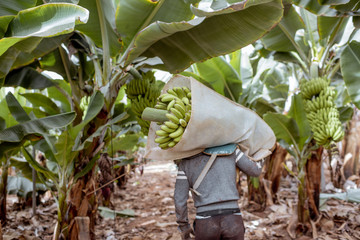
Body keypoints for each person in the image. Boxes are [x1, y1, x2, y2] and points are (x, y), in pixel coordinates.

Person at [174, 143, 265, 240]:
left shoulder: (185, 163)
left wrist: (184, 227)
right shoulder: (231, 151)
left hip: (205, 223)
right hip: (233, 220)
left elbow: (179, 199)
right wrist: (263, 151)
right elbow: (255, 170)